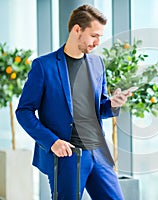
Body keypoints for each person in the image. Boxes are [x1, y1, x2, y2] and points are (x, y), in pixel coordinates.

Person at [16, 4, 130, 200]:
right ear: (77, 30)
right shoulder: (44, 66)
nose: (98, 42)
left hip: (99, 152)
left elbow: (98, 109)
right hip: (68, 155)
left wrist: (112, 104)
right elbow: (23, 111)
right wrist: (52, 142)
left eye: (100, 36)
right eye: (94, 35)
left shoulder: (97, 64)